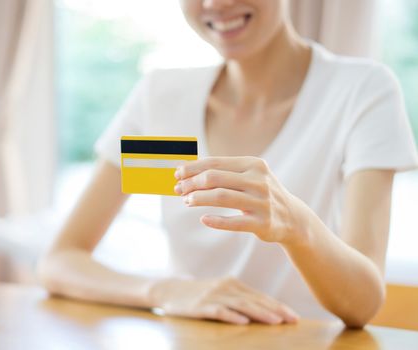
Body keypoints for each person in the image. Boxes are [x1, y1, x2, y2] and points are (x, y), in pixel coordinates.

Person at [38, 0, 418, 327]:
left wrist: (295, 225)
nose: (216, 3)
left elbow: (363, 303)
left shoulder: (360, 90)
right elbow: (61, 260)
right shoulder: (163, 97)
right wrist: (167, 290)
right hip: (190, 338)